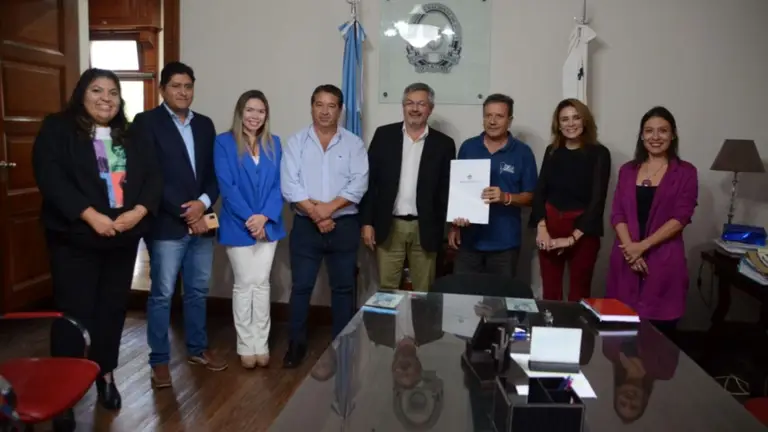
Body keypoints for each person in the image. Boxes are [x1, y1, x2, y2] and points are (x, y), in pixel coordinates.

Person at [32, 68, 162, 429]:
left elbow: (154, 176)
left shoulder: (132, 134)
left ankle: (105, 375)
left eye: (113, 92)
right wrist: (91, 216)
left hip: (121, 237)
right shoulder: (58, 128)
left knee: (111, 310)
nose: (106, 98)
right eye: (97, 90)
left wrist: (138, 212)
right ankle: (63, 393)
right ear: (81, 94)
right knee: (75, 315)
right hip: (76, 237)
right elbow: (51, 178)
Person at [130, 61, 226, 388]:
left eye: (188, 86)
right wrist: (187, 212)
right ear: (162, 89)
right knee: (162, 294)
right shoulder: (146, 123)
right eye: (175, 86)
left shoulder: (205, 124)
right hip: (166, 224)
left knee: (198, 290)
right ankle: (159, 360)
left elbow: (213, 174)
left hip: (202, 221)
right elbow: (148, 176)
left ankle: (197, 349)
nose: (183, 92)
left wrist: (203, 204)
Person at [281, 84, 368, 368]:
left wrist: (327, 210)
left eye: (331, 106)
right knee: (301, 287)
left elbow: (359, 184)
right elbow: (290, 185)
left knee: (343, 289)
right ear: (312, 107)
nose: (325, 111)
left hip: (343, 226)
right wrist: (316, 214)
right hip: (306, 226)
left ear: (340, 110)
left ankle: (342, 346)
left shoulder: (354, 143)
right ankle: (296, 345)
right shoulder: (296, 142)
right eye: (319, 104)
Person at [606, 106, 698, 338]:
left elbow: (681, 217)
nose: (655, 137)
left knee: (658, 341)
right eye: (649, 131)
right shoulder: (628, 170)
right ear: (641, 135)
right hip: (626, 260)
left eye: (662, 131)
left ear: (673, 135)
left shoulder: (686, 172)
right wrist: (631, 250)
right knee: (620, 338)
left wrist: (642, 247)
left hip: (663, 261)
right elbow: (617, 213)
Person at [360, 83, 455, 292]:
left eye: (421, 104)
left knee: (424, 292)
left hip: (426, 228)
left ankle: (421, 317)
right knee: (387, 291)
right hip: (389, 226)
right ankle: (388, 317)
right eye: (410, 103)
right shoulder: (384, 136)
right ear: (403, 106)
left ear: (430, 108)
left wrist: (449, 226)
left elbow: (446, 190)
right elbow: (370, 183)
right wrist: (367, 222)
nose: (415, 109)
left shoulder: (444, 144)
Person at [213, 90, 285, 369]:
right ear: (240, 112)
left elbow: (279, 185)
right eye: (250, 110)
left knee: (262, 283)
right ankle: (245, 345)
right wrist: (251, 219)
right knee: (244, 284)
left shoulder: (274, 143)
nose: (255, 116)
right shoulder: (224, 142)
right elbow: (227, 187)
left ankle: (260, 343)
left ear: (267, 115)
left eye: (261, 111)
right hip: (237, 224)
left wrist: (264, 217)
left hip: (268, 225)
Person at [530, 98, 611, 301]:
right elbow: (540, 192)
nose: (571, 124)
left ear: (585, 121)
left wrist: (571, 239)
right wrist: (542, 229)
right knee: (550, 294)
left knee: (579, 294)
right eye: (564, 119)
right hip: (550, 226)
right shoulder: (552, 151)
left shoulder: (599, 153)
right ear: (558, 124)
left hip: (582, 232)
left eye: (576, 118)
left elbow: (597, 201)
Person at [449, 94, 538, 277]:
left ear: (509, 120)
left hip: (504, 244)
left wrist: (505, 197)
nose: (492, 121)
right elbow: (457, 190)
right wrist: (454, 226)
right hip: (469, 242)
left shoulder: (523, 152)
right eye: (488, 115)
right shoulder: (468, 147)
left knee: (499, 295)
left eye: (499, 116)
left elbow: (531, 197)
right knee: (462, 293)